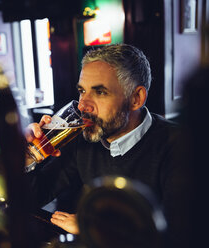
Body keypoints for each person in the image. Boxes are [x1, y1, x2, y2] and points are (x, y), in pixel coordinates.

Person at [25, 44, 192, 246]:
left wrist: (97, 228)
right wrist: (27, 157)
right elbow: (31, 199)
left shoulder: (181, 147)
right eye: (82, 91)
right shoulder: (82, 138)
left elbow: (179, 238)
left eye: (100, 92)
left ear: (135, 99)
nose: (82, 106)